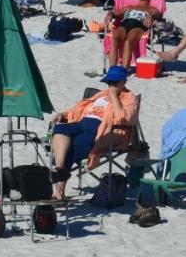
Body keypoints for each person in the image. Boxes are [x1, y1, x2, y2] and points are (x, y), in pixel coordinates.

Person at [48, 65, 140, 199]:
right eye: (109, 82)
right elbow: (79, 110)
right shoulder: (101, 95)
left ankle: (57, 193)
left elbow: (125, 118)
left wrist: (115, 97)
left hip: (103, 129)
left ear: (124, 82)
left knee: (71, 148)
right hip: (81, 123)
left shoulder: (129, 98)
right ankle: (60, 168)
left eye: (115, 82)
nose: (111, 86)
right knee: (60, 127)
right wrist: (63, 114)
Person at [106, 0, 166, 69]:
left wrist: (151, 16)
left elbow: (159, 15)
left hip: (139, 27)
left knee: (128, 42)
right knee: (114, 40)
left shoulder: (151, 9)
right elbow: (114, 13)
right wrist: (109, 15)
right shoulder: (129, 7)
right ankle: (112, 70)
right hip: (125, 24)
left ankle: (123, 71)